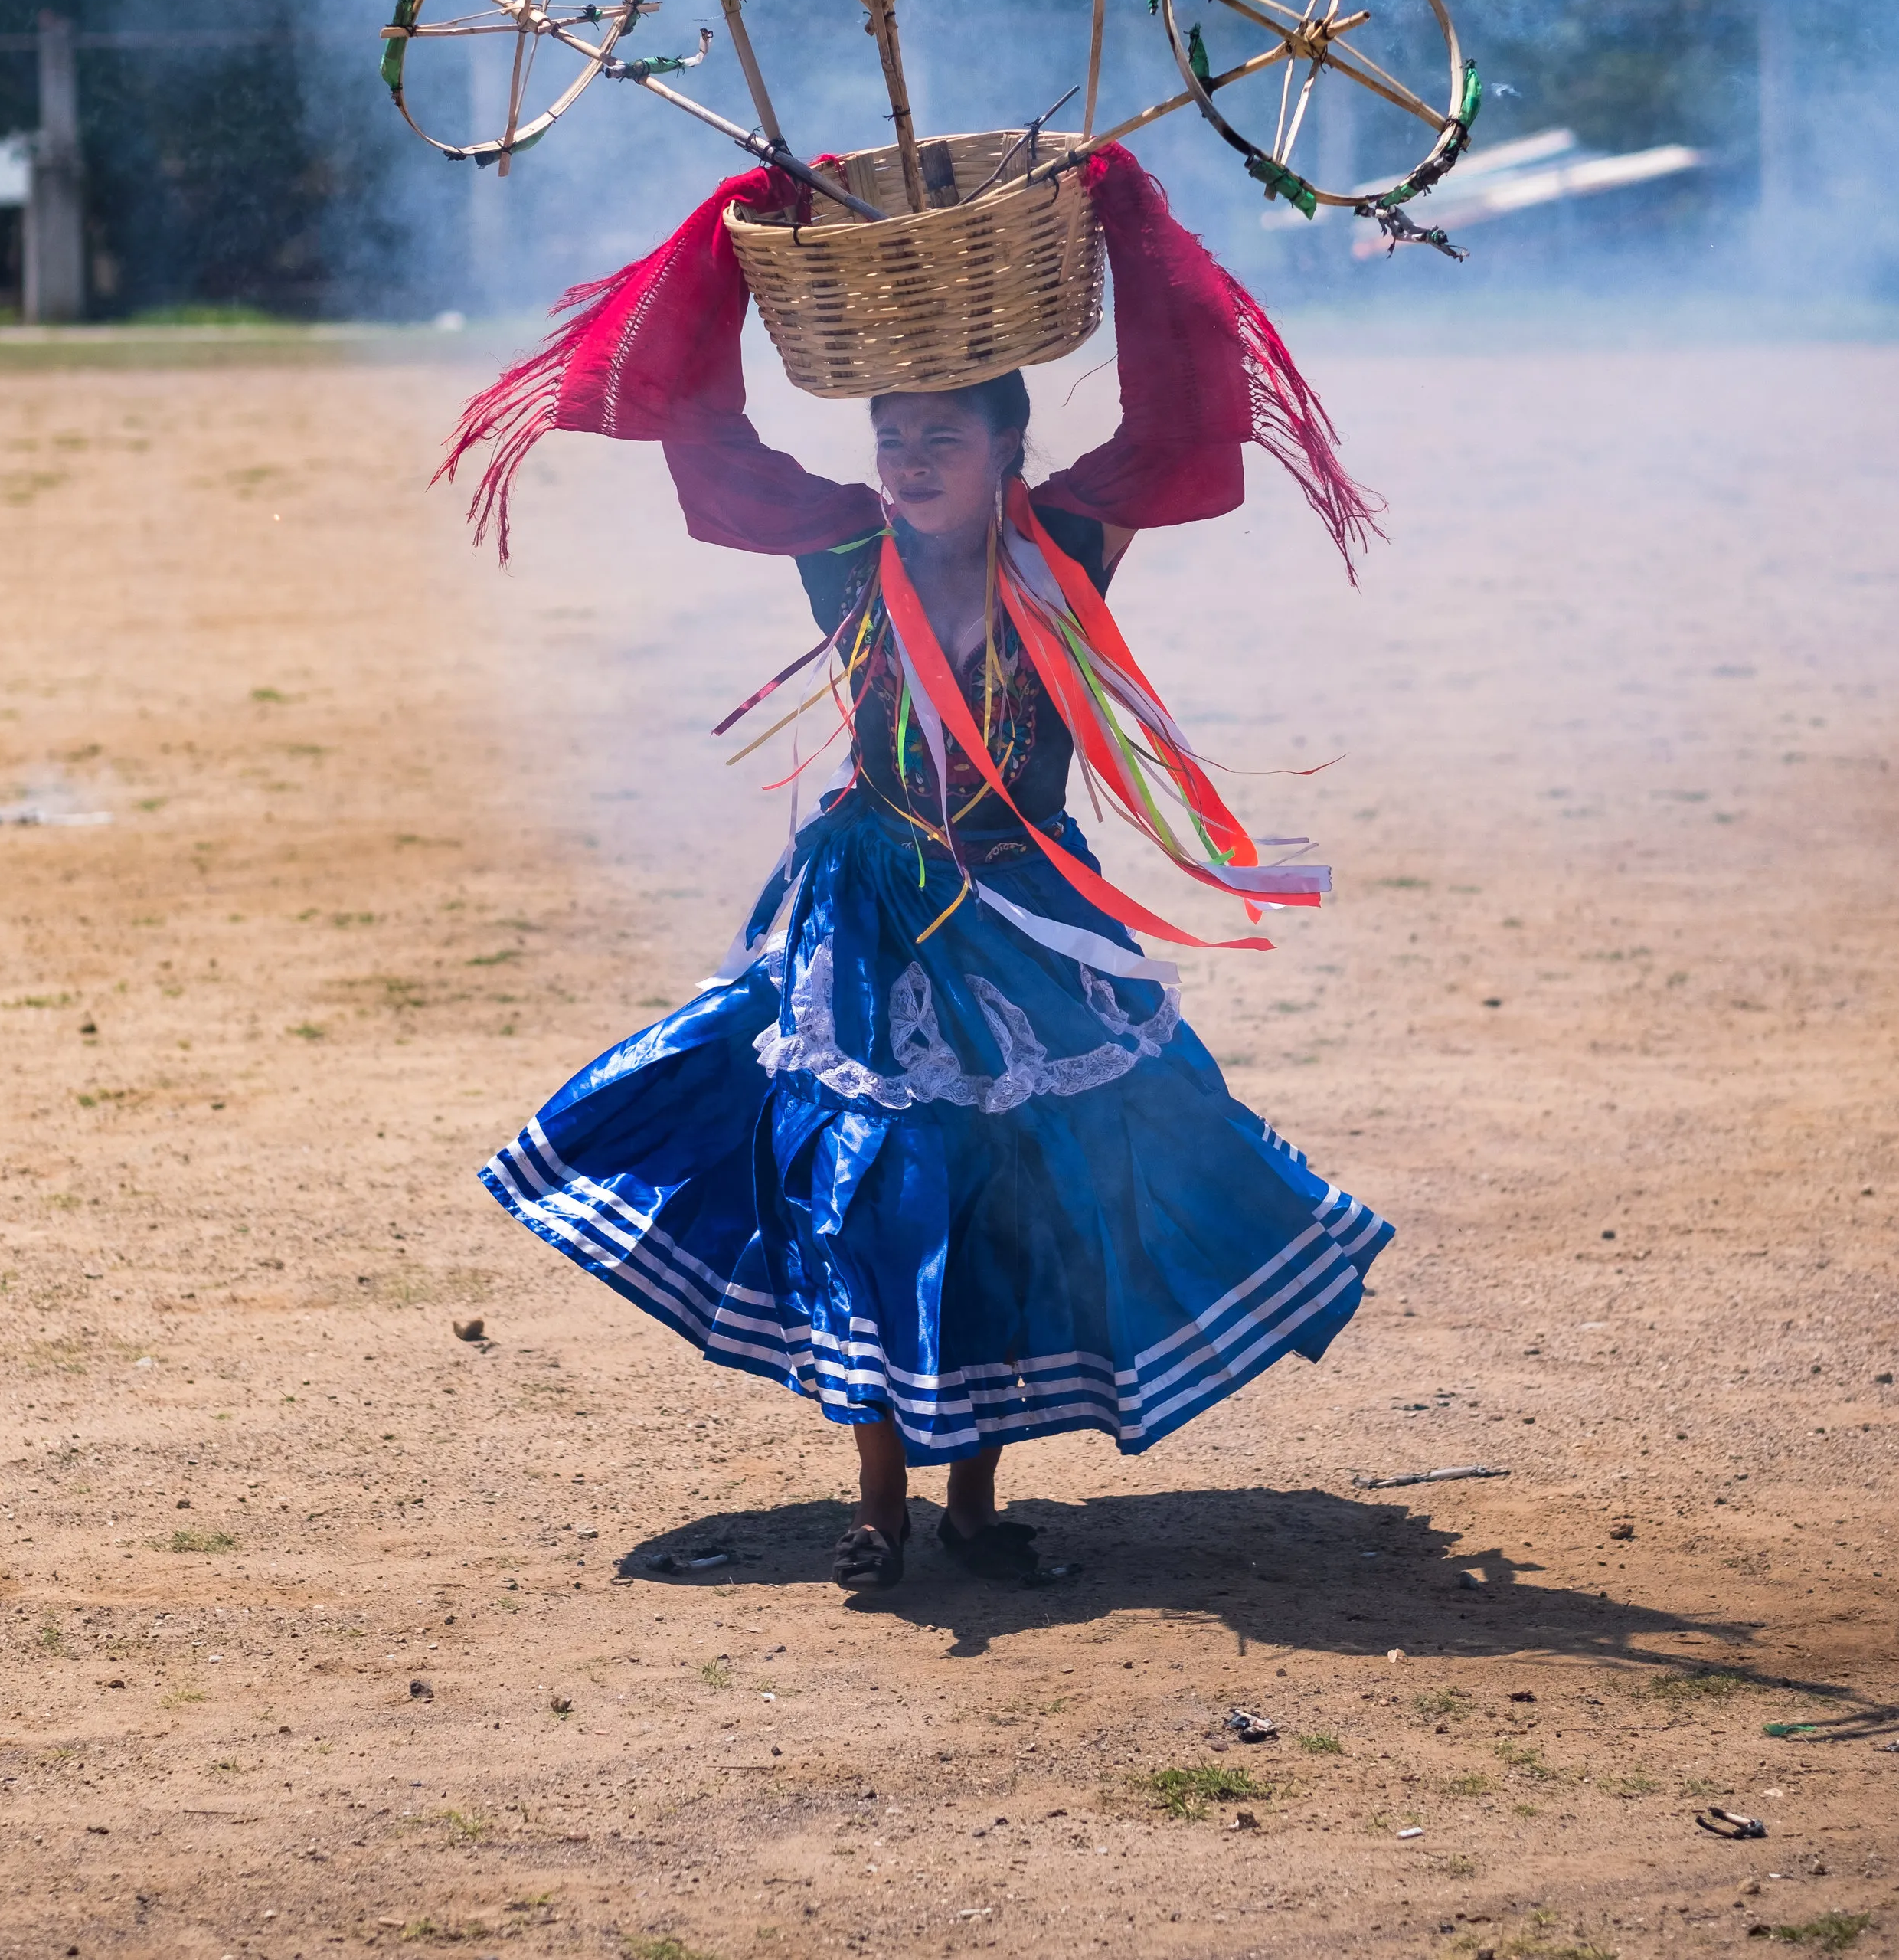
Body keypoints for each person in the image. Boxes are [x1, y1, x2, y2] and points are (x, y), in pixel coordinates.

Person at [452, 145, 1393, 1595]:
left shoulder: (1071, 544)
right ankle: (878, 1509)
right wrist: (731, 232)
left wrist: (1129, 213)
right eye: (894, 430)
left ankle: (972, 1500)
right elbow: (703, 429)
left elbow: (1188, 417)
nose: (912, 454)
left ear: (1012, 445)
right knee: (873, 1185)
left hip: (1030, 907)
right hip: (866, 914)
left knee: (1009, 1186)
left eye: (945, 430)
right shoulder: (840, 549)